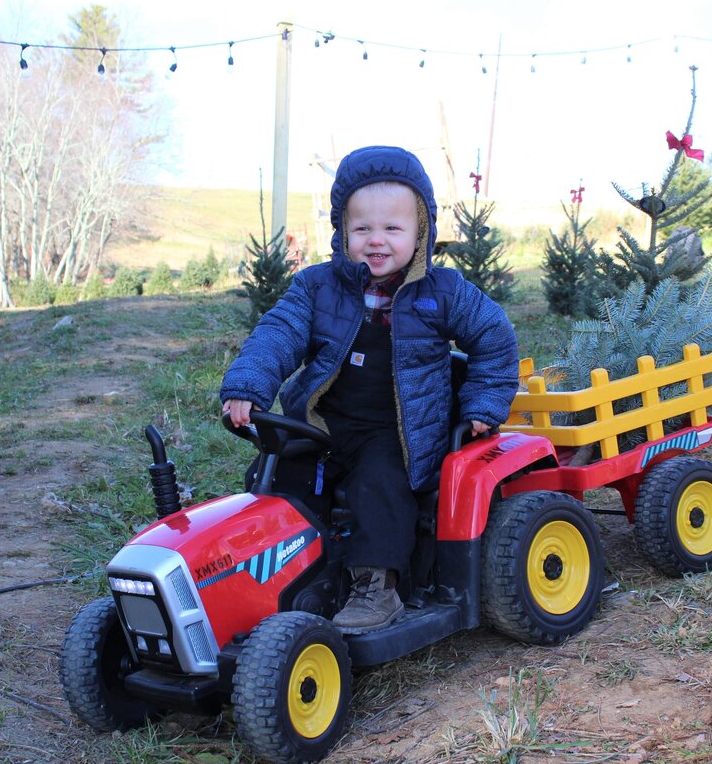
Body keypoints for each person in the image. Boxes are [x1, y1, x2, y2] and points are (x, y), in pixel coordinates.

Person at [220, 145, 518, 634]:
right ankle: (284, 576)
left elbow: (495, 338)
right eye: (362, 229)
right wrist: (249, 386)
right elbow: (278, 333)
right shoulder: (317, 288)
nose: (376, 241)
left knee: (378, 486)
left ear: (420, 232)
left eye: (392, 229)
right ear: (342, 232)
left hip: (398, 431)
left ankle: (377, 588)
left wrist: (484, 403)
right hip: (324, 422)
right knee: (277, 477)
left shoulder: (443, 292)